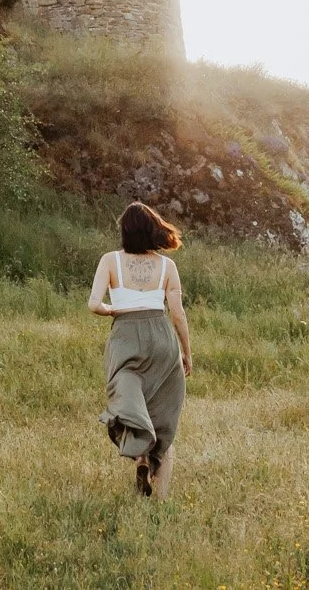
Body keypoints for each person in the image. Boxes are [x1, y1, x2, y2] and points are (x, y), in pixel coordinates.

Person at [87, 201, 193, 498]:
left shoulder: (110, 260)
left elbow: (94, 304)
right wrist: (186, 352)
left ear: (125, 231)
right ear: (151, 231)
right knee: (163, 420)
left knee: (127, 404)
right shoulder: (167, 266)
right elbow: (178, 313)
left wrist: (113, 310)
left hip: (125, 338)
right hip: (162, 339)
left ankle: (141, 456)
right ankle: (159, 504)